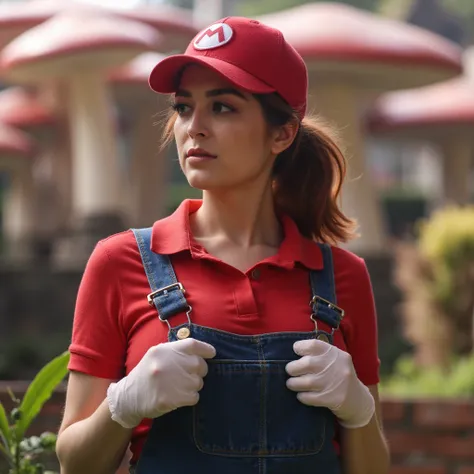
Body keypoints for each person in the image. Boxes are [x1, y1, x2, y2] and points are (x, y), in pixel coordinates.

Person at [56, 16, 390, 474]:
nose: (194, 127)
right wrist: (123, 407)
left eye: (223, 107)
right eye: (183, 107)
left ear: (282, 133)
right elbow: (74, 464)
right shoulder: (120, 261)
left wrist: (360, 412)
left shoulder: (342, 277)